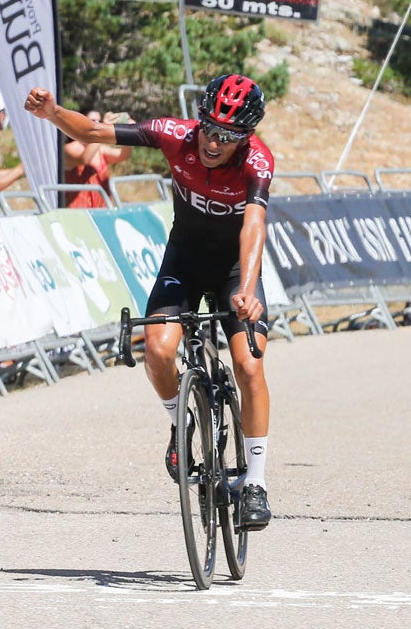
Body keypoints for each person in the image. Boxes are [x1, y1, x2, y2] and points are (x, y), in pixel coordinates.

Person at [25, 74, 274, 530]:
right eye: (209, 129)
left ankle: (255, 483)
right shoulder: (174, 135)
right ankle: (182, 424)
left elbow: (253, 225)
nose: (213, 143)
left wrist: (248, 289)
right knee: (157, 351)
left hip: (236, 270)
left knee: (250, 364)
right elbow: (94, 135)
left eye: (227, 136)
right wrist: (53, 114)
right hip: (184, 260)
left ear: (246, 138)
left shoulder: (257, 162)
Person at [62, 109, 132, 208]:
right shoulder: (69, 149)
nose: (97, 124)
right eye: (93, 121)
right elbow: (84, 159)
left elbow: (124, 155)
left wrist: (129, 132)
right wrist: (103, 131)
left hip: (100, 211)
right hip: (77, 214)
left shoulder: (100, 150)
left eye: (99, 121)